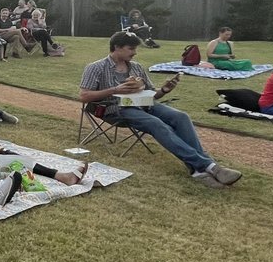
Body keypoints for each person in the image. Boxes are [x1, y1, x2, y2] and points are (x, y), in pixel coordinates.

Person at [80, 31, 243, 188]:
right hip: (115, 108)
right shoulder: (96, 67)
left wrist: (164, 90)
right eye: (131, 48)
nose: (135, 52)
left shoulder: (136, 67)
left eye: (135, 48)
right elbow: (84, 96)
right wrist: (114, 90)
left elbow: (152, 95)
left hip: (144, 104)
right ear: (117, 47)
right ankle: (209, 166)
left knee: (181, 117)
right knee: (156, 124)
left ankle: (198, 170)